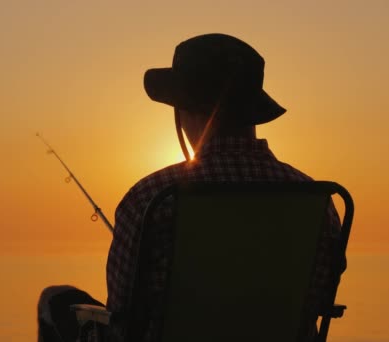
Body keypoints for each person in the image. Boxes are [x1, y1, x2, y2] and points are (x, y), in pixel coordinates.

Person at [37, 33, 344, 342]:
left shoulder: (149, 199)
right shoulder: (317, 202)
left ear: (183, 111)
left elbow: (123, 317)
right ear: (254, 112)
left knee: (55, 301)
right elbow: (317, 303)